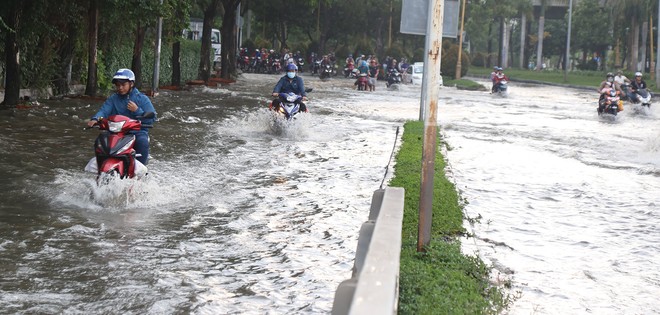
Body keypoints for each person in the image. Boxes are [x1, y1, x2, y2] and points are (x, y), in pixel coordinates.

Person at [86, 68, 156, 165]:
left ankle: (141, 171)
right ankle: (100, 167)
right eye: (118, 85)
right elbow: (104, 111)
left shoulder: (142, 99)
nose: (120, 88)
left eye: (123, 85)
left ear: (131, 84)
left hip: (137, 132)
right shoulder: (113, 99)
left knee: (142, 142)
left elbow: (152, 118)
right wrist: (95, 119)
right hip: (116, 132)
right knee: (100, 140)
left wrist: (137, 111)